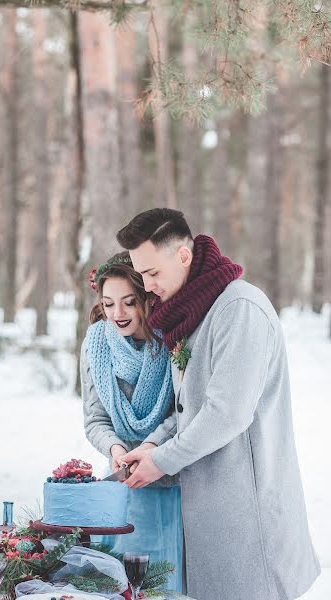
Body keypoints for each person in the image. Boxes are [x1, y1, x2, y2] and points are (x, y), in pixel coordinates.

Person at [117, 208, 321, 600]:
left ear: (183, 255)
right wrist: (153, 445)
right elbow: (187, 408)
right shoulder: (191, 311)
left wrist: (162, 461)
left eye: (153, 273)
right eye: (142, 274)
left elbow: (226, 414)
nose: (147, 285)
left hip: (248, 517)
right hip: (211, 516)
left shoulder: (238, 309)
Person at [81, 251, 184, 592]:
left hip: (170, 480)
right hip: (120, 486)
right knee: (120, 582)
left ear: (146, 299)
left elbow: (180, 411)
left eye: (128, 302)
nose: (118, 314)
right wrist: (115, 447)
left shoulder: (173, 340)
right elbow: (95, 418)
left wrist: (152, 448)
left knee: (164, 582)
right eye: (109, 304)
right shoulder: (96, 344)